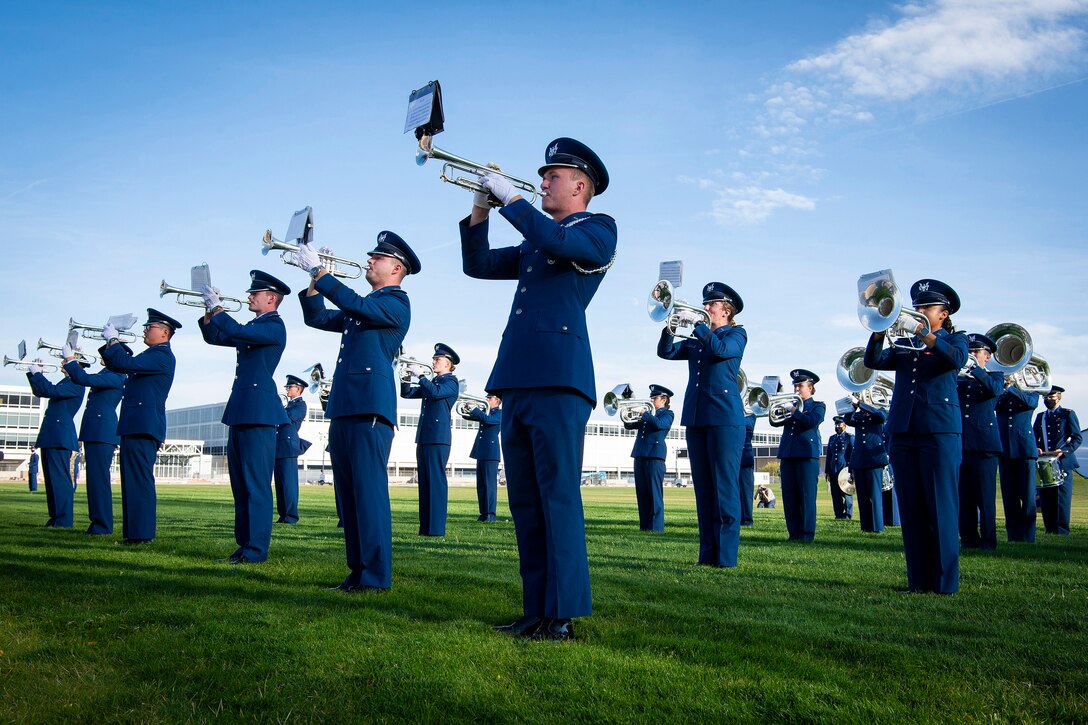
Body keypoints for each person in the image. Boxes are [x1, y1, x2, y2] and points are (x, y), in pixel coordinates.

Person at [461, 137, 616, 641]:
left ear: (580, 184)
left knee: (558, 496)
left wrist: (513, 200)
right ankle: (536, 609)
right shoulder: (537, 233)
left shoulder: (596, 229)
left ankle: (563, 614)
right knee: (525, 500)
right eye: (542, 175)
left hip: (559, 376)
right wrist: (481, 208)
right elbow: (477, 266)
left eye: (553, 174)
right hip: (520, 377)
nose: (543, 179)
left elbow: (559, 243)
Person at [296, 230, 418, 592]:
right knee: (347, 498)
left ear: (396, 268)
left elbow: (356, 305)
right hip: (346, 407)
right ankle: (358, 571)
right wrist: (314, 281)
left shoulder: (396, 303)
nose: (368, 261)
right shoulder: (362, 307)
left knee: (368, 495)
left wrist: (323, 272)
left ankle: (376, 576)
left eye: (376, 258)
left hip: (370, 411)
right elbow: (316, 318)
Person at [864, 279, 968, 594]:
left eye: (926, 307)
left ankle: (944, 583)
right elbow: (873, 361)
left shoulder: (956, 338)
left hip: (939, 432)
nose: (920, 311)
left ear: (944, 313)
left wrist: (922, 331)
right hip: (903, 430)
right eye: (918, 307)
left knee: (941, 506)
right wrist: (880, 328)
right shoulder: (905, 344)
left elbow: (957, 360)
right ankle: (918, 582)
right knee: (911, 509)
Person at [199, 271, 291, 563]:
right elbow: (216, 337)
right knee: (241, 487)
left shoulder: (275, 326)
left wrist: (218, 308)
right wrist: (208, 311)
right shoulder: (254, 326)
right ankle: (244, 546)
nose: (250, 296)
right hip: (242, 410)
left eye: (256, 293)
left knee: (256, 487)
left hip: (259, 413)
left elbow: (234, 330)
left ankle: (255, 550)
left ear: (271, 298)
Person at [659, 282, 747, 563]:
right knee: (705, 491)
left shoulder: (737, 334)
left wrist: (698, 325)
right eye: (705, 304)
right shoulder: (699, 338)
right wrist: (669, 328)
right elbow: (667, 352)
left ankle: (726, 557)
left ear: (726, 310)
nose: (705, 307)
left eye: (711, 304)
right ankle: (707, 554)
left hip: (724, 420)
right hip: (696, 418)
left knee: (725, 488)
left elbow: (720, 350)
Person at [100, 308, 181, 545]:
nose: (145, 330)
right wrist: (111, 343)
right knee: (132, 482)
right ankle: (135, 533)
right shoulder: (152, 355)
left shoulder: (161, 355)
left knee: (139, 482)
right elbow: (119, 363)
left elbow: (124, 363)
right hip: (136, 425)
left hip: (143, 426)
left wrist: (113, 340)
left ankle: (142, 534)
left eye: (151, 327)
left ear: (164, 333)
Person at [63, 349, 125, 535]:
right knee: (95, 481)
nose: (101, 357)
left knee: (99, 481)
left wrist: (71, 360)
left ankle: (102, 525)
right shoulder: (106, 373)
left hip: (102, 433)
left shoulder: (115, 374)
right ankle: (97, 523)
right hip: (96, 432)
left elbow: (85, 379)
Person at [401, 343, 460, 536]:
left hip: (438, 438)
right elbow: (407, 393)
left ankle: (436, 528)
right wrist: (406, 376)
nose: (433, 361)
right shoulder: (432, 383)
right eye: (434, 358)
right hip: (425, 436)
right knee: (425, 483)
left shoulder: (451, 382)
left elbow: (435, 393)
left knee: (435, 481)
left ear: (448, 364)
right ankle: (425, 528)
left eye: (438, 359)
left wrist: (421, 375)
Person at [956, 333, 1004, 550]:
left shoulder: (995, 376)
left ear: (987, 356)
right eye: (970, 352)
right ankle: (968, 538)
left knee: (985, 498)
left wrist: (976, 370)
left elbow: (994, 391)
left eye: (976, 352)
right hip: (961, 443)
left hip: (985, 445)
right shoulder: (958, 378)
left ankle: (988, 540)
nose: (972, 355)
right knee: (964, 497)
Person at [26, 363, 85, 528]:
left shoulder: (76, 382)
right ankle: (55, 517)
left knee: (60, 481)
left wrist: (39, 375)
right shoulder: (65, 382)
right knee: (52, 481)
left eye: (66, 362)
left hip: (60, 436)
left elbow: (50, 390)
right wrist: (35, 375)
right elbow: (41, 391)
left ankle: (63, 520)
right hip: (52, 435)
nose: (62, 364)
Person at [771, 369, 826, 542]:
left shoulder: (818, 406)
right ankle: (793, 533)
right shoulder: (790, 404)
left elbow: (811, 422)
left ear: (810, 387)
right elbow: (774, 421)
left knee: (807, 496)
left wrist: (794, 410)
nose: (796, 390)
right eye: (795, 386)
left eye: (800, 386)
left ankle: (807, 534)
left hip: (806, 456)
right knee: (790, 497)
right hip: (788, 454)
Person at [623, 384, 675, 532]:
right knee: (642, 493)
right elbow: (629, 426)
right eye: (652, 397)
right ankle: (644, 526)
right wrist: (625, 412)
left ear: (664, 400)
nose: (652, 400)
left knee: (654, 494)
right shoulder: (648, 414)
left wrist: (645, 414)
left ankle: (657, 528)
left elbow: (659, 425)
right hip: (640, 455)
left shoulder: (668, 414)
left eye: (655, 398)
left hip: (655, 456)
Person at [996, 379, 1040, 543]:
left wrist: (1013, 388)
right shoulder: (1001, 393)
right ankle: (1013, 535)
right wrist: (1003, 386)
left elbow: (1030, 403)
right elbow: (993, 403)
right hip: (1005, 450)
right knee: (1009, 497)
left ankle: (1028, 536)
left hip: (1024, 450)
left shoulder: (1031, 391)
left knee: (1028, 497)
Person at [1034, 385, 1081, 535]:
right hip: (1044, 462)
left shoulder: (1068, 414)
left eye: (1051, 397)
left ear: (1058, 397)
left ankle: (1062, 531)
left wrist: (1064, 451)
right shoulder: (1041, 416)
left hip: (1062, 462)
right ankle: (1050, 530)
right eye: (1045, 397)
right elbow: (1034, 437)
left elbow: (1077, 437)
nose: (1048, 399)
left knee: (1061, 498)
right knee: (1046, 498)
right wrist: (1036, 448)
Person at [843, 401, 888, 533]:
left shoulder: (879, 410)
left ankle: (877, 526)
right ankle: (866, 526)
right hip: (859, 458)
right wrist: (853, 408)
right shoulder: (860, 415)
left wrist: (863, 405)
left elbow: (881, 417)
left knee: (874, 495)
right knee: (862, 496)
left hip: (874, 459)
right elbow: (848, 420)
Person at [274, 374, 311, 525]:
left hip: (288, 447)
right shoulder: (287, 405)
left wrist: (277, 405)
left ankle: (291, 516)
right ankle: (283, 515)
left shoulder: (300, 405)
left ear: (298, 389)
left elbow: (287, 418)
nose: (287, 389)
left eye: (290, 387)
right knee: (280, 484)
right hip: (278, 446)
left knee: (289, 484)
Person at [467, 392, 502, 522]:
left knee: (489, 485)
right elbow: (470, 417)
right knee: (481, 485)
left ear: (497, 401)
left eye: (489, 398)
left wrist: (475, 410)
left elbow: (487, 420)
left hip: (491, 453)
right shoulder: (485, 411)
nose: (486, 399)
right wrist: (468, 408)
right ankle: (483, 513)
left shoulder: (499, 413)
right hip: (481, 452)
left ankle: (490, 514)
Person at [824, 416, 854, 519]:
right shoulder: (832, 438)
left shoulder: (850, 437)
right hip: (834, 470)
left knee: (847, 494)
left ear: (844, 426)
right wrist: (827, 471)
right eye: (836, 425)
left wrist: (851, 469)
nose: (837, 426)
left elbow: (852, 454)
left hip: (845, 470)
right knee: (835, 495)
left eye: (839, 425)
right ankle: (838, 514)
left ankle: (848, 515)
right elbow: (829, 455)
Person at [739, 409, 756, 526]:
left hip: (744, 456)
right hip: (729, 455)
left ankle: (746, 519)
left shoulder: (751, 413)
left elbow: (748, 425)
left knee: (746, 492)